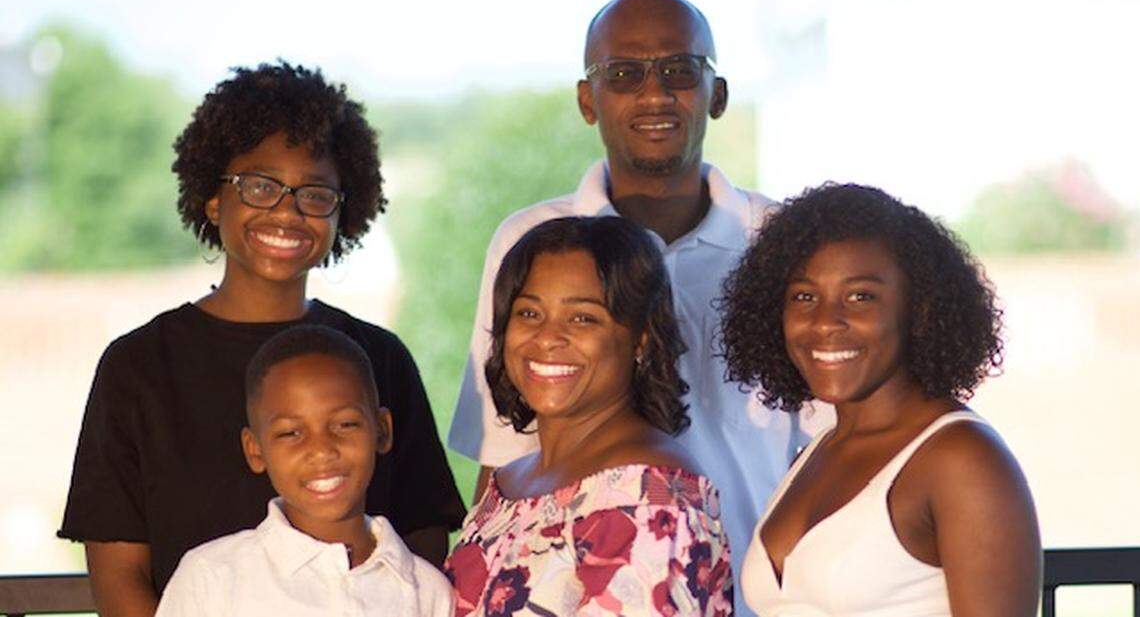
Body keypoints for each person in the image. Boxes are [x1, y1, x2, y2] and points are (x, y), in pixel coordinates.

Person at [447, 0, 827, 613]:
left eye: (680, 70)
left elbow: (835, 448)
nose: (654, 94)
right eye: (623, 73)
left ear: (719, 94)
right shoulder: (531, 242)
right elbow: (505, 447)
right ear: (587, 100)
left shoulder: (783, 246)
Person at [58, 61, 464, 616]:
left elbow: (420, 547)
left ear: (344, 213)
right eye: (259, 185)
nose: (287, 211)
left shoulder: (379, 357)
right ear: (212, 199)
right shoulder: (139, 367)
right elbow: (119, 579)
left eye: (315, 193)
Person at [719, 184, 1041, 616]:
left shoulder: (962, 460)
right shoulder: (816, 453)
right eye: (804, 297)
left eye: (861, 296)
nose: (826, 322)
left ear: (919, 309)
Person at [445, 216, 733, 617]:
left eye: (582, 318)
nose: (547, 337)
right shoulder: (510, 482)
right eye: (529, 313)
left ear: (641, 338)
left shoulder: (651, 498)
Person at [155, 325, 453, 617]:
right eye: (291, 433)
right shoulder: (212, 578)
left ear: (382, 430)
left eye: (345, 424)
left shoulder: (427, 592)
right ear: (255, 449)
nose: (322, 450)